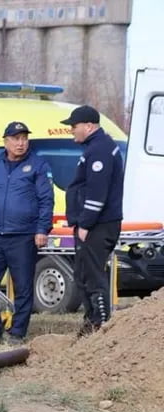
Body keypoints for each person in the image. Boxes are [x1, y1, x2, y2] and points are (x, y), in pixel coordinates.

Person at [0, 122, 54, 343]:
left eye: (24, 138)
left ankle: (17, 331)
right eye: (16, 138)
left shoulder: (37, 165)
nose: (20, 143)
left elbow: (46, 200)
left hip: (24, 236)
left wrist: (43, 229)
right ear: (6, 142)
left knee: (22, 286)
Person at [63, 104, 124, 336]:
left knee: (93, 275)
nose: (72, 130)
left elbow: (97, 192)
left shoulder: (99, 150)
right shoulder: (96, 147)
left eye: (74, 126)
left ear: (88, 126)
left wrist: (86, 223)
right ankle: (91, 322)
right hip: (95, 223)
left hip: (98, 225)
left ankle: (100, 325)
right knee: (83, 274)